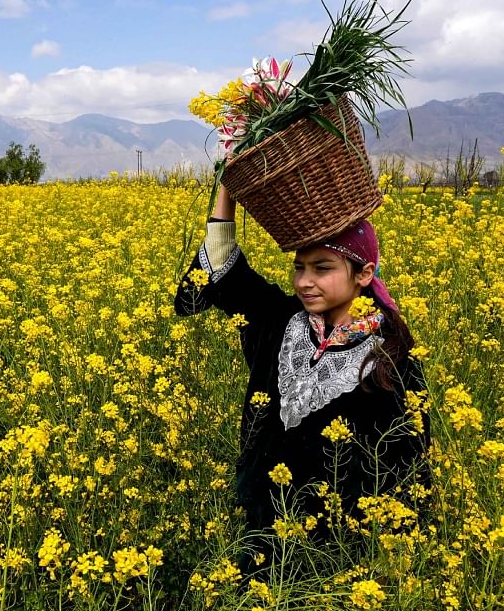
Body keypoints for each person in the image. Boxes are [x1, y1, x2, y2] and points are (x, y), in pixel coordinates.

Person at [174, 184, 429, 570]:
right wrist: (229, 187)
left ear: (364, 274)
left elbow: (410, 465)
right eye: (299, 267)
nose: (304, 281)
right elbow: (224, 267)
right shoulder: (283, 319)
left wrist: (394, 563)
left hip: (339, 555)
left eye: (322, 268)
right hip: (262, 532)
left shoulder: (392, 356)